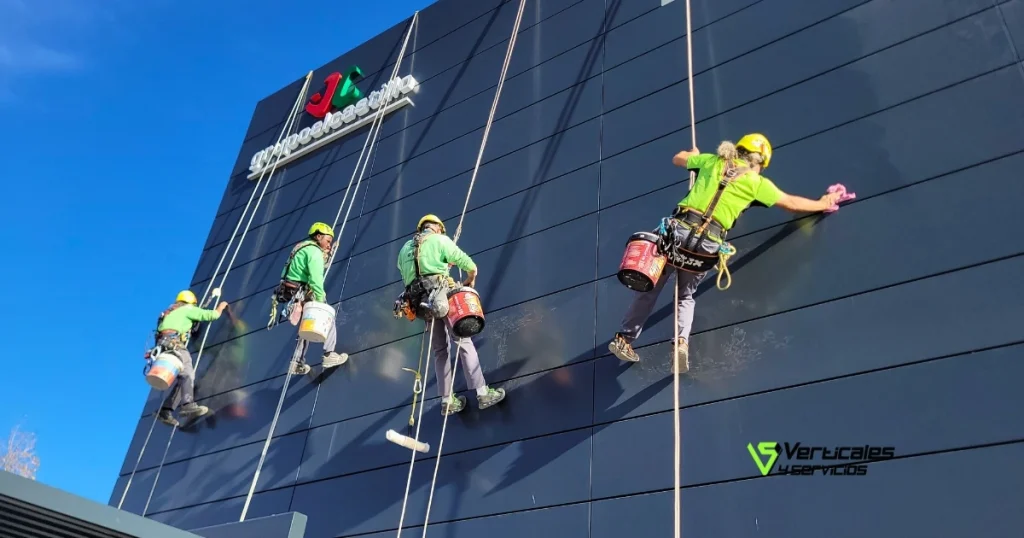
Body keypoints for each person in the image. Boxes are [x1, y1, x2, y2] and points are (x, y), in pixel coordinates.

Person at [608, 133, 845, 374]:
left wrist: (693, 156)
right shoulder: (757, 184)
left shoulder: (712, 161)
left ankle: (624, 339)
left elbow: (678, 159)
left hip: (678, 232)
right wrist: (825, 203)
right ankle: (681, 343)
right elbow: (792, 203)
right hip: (707, 244)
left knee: (652, 288)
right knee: (686, 296)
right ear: (759, 161)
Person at [396, 214, 506, 416]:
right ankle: (482, 393)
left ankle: (447, 401)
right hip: (442, 296)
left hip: (423, 305)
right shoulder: (439, 240)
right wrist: (470, 279)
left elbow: (408, 274)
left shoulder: (404, 250)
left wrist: (438, 266)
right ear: (437, 228)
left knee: (440, 351)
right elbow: (468, 264)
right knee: (463, 341)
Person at [273, 222, 349, 375]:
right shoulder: (314, 252)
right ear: (318, 236)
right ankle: (329, 354)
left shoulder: (301, 248)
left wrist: (327, 255)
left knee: (307, 326)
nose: (329, 245)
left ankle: (296, 362)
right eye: (328, 241)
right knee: (328, 318)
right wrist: (321, 299)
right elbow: (315, 278)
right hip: (305, 293)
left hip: (293, 293)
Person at [153, 290, 228, 427]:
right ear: (191, 302)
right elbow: (212, 315)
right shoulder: (188, 309)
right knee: (188, 373)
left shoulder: (170, 312)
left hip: (163, 345)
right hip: (175, 344)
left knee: (183, 377)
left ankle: (165, 410)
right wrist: (222, 306)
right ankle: (188, 404)